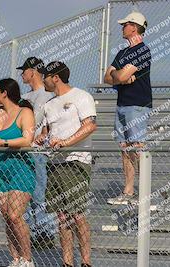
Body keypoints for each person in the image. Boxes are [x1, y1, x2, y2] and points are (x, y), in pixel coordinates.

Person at [35, 61, 97, 267]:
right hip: (55, 163)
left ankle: (86, 262)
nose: (42, 80)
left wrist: (65, 143)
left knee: (77, 215)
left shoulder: (81, 96)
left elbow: (90, 126)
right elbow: (45, 134)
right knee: (62, 217)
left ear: (55, 77)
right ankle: (67, 263)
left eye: (45, 76)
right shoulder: (49, 105)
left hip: (76, 162)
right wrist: (40, 139)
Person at [0, 78, 36, 267]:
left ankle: (27, 259)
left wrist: (1, 143)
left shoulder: (24, 112)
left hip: (20, 168)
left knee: (15, 215)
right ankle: (15, 259)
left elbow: (28, 140)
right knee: (6, 217)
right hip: (0, 169)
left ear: (5, 93)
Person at [103, 11, 152, 205]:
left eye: (125, 24)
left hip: (137, 105)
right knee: (124, 148)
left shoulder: (143, 50)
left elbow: (119, 77)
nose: (122, 27)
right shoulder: (122, 53)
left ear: (134, 27)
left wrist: (119, 75)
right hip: (122, 104)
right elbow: (108, 78)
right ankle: (128, 191)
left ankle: (144, 191)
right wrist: (120, 75)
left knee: (136, 147)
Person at [17, 57, 57, 248]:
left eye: (24, 71)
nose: (22, 74)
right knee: (24, 195)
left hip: (38, 152)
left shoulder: (47, 95)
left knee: (39, 194)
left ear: (32, 71)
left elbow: (46, 121)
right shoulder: (25, 97)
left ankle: (45, 233)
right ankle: (33, 233)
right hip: (23, 151)